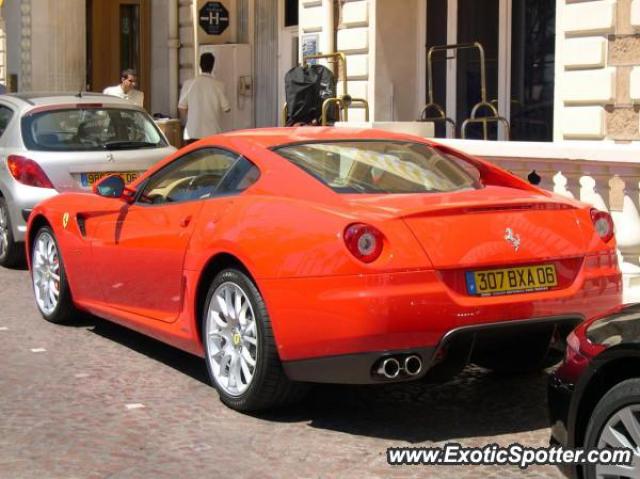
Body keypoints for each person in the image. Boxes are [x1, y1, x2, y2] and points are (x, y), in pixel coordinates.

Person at [178, 52, 230, 143]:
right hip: (212, 133)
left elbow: (181, 107)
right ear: (213, 66)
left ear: (200, 65)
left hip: (192, 133)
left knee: (193, 157)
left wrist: (191, 119)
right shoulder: (219, 85)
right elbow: (227, 109)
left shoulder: (188, 84)